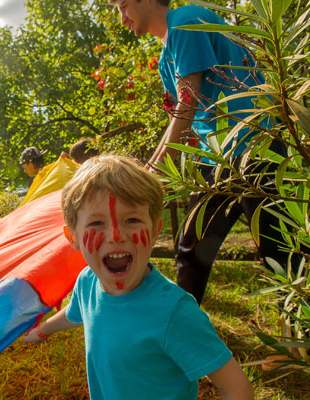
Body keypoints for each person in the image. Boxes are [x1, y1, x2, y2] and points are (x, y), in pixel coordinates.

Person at [23, 154, 254, 399]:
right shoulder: (88, 282)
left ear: (155, 231)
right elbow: (75, 313)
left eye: (132, 220)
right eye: (97, 223)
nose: (115, 235)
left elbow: (236, 387)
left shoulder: (174, 313)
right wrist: (43, 330)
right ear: (73, 238)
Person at [110, 0, 295, 304]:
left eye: (123, 5)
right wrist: (149, 171)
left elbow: (188, 104)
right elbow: (180, 119)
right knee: (192, 248)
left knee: (278, 250)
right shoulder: (164, 60)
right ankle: (180, 329)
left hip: (255, 147)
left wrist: (151, 173)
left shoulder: (185, 20)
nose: (122, 18)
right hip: (218, 159)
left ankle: (299, 340)